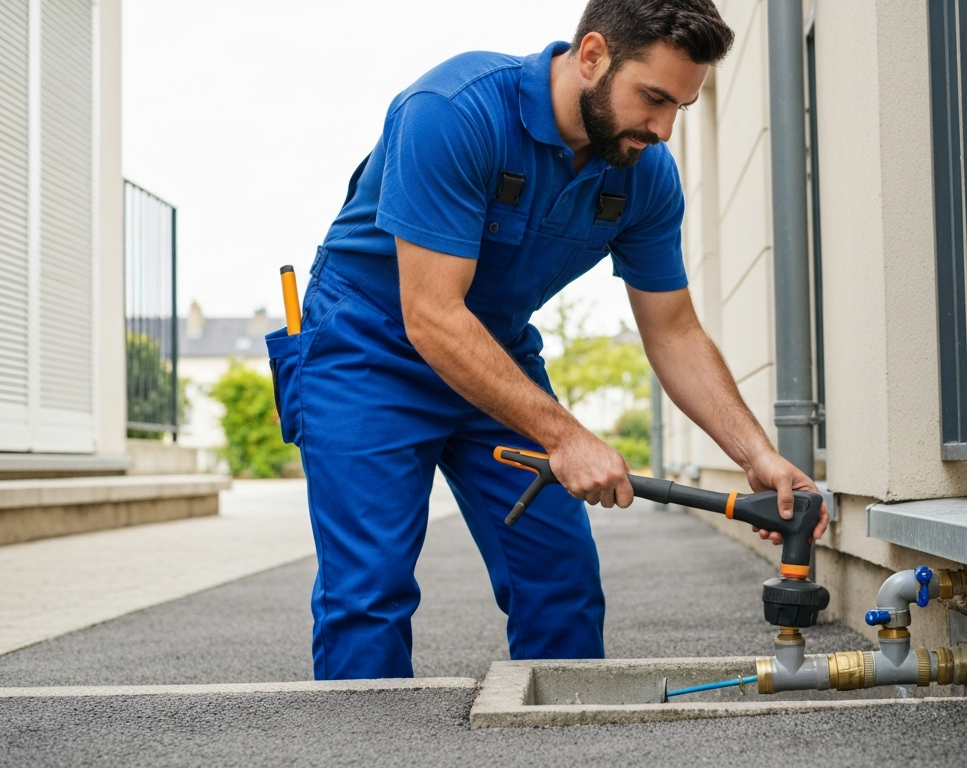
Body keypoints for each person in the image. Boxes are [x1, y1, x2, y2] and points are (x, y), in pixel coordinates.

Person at [266, 0, 828, 680]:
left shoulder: (643, 174)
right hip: (368, 350)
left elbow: (674, 331)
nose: (664, 129)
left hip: (494, 351)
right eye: (653, 98)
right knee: (368, 593)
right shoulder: (454, 110)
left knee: (560, 578)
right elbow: (433, 316)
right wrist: (565, 437)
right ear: (591, 56)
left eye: (682, 105)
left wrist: (756, 454)